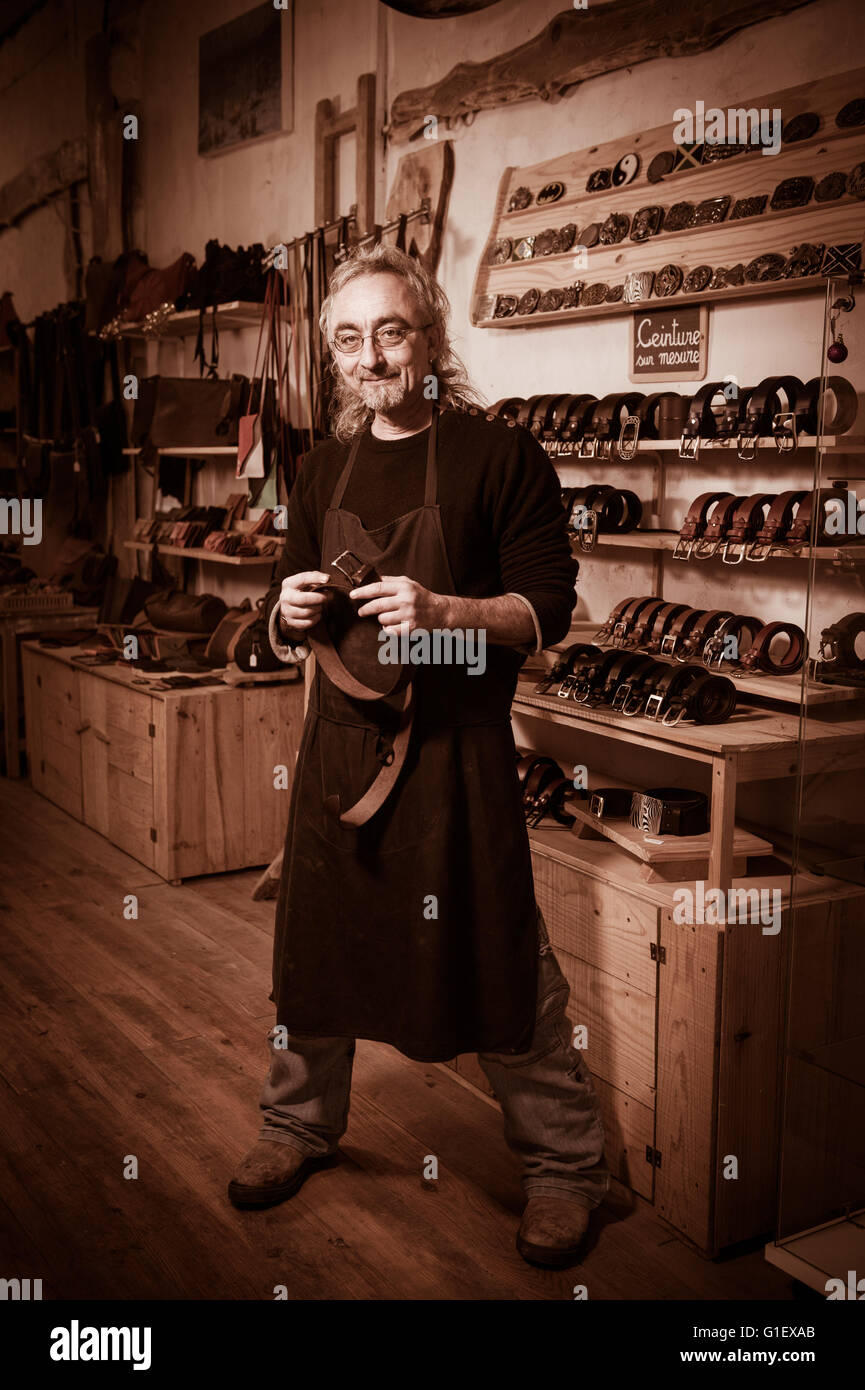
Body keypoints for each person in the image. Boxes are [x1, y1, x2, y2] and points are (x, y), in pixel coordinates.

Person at [228, 243, 609, 1268]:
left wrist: (443, 615)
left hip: (454, 757)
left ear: (431, 339)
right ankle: (298, 1126)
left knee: (499, 960)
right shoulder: (322, 468)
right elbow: (286, 618)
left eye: (390, 332)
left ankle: (567, 1169)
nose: (371, 355)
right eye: (348, 339)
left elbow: (545, 617)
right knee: (316, 953)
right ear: (333, 357)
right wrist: (285, 610)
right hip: (341, 751)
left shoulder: (501, 457)